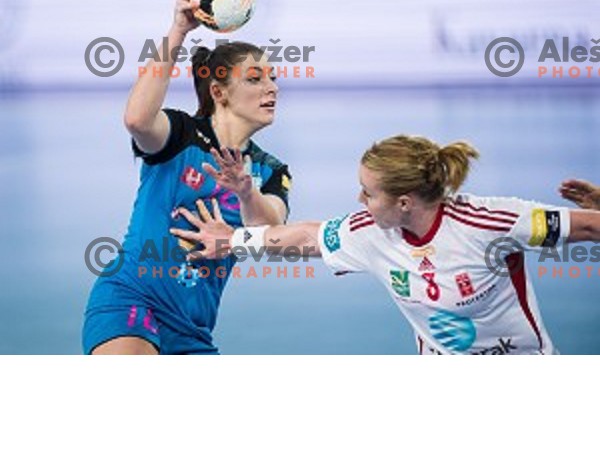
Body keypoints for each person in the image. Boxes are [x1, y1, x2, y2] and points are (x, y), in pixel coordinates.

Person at [171, 134, 600, 355]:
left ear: (404, 202)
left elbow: (590, 229)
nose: (360, 201)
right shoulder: (372, 232)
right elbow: (305, 236)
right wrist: (234, 241)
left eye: (368, 193)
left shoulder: (491, 222)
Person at [82, 0, 291, 355]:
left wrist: (246, 192)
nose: (272, 88)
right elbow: (136, 120)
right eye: (256, 79)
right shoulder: (179, 134)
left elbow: (268, 234)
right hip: (131, 300)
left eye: (273, 78)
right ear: (219, 92)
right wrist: (179, 29)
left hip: (193, 327)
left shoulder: (270, 171)